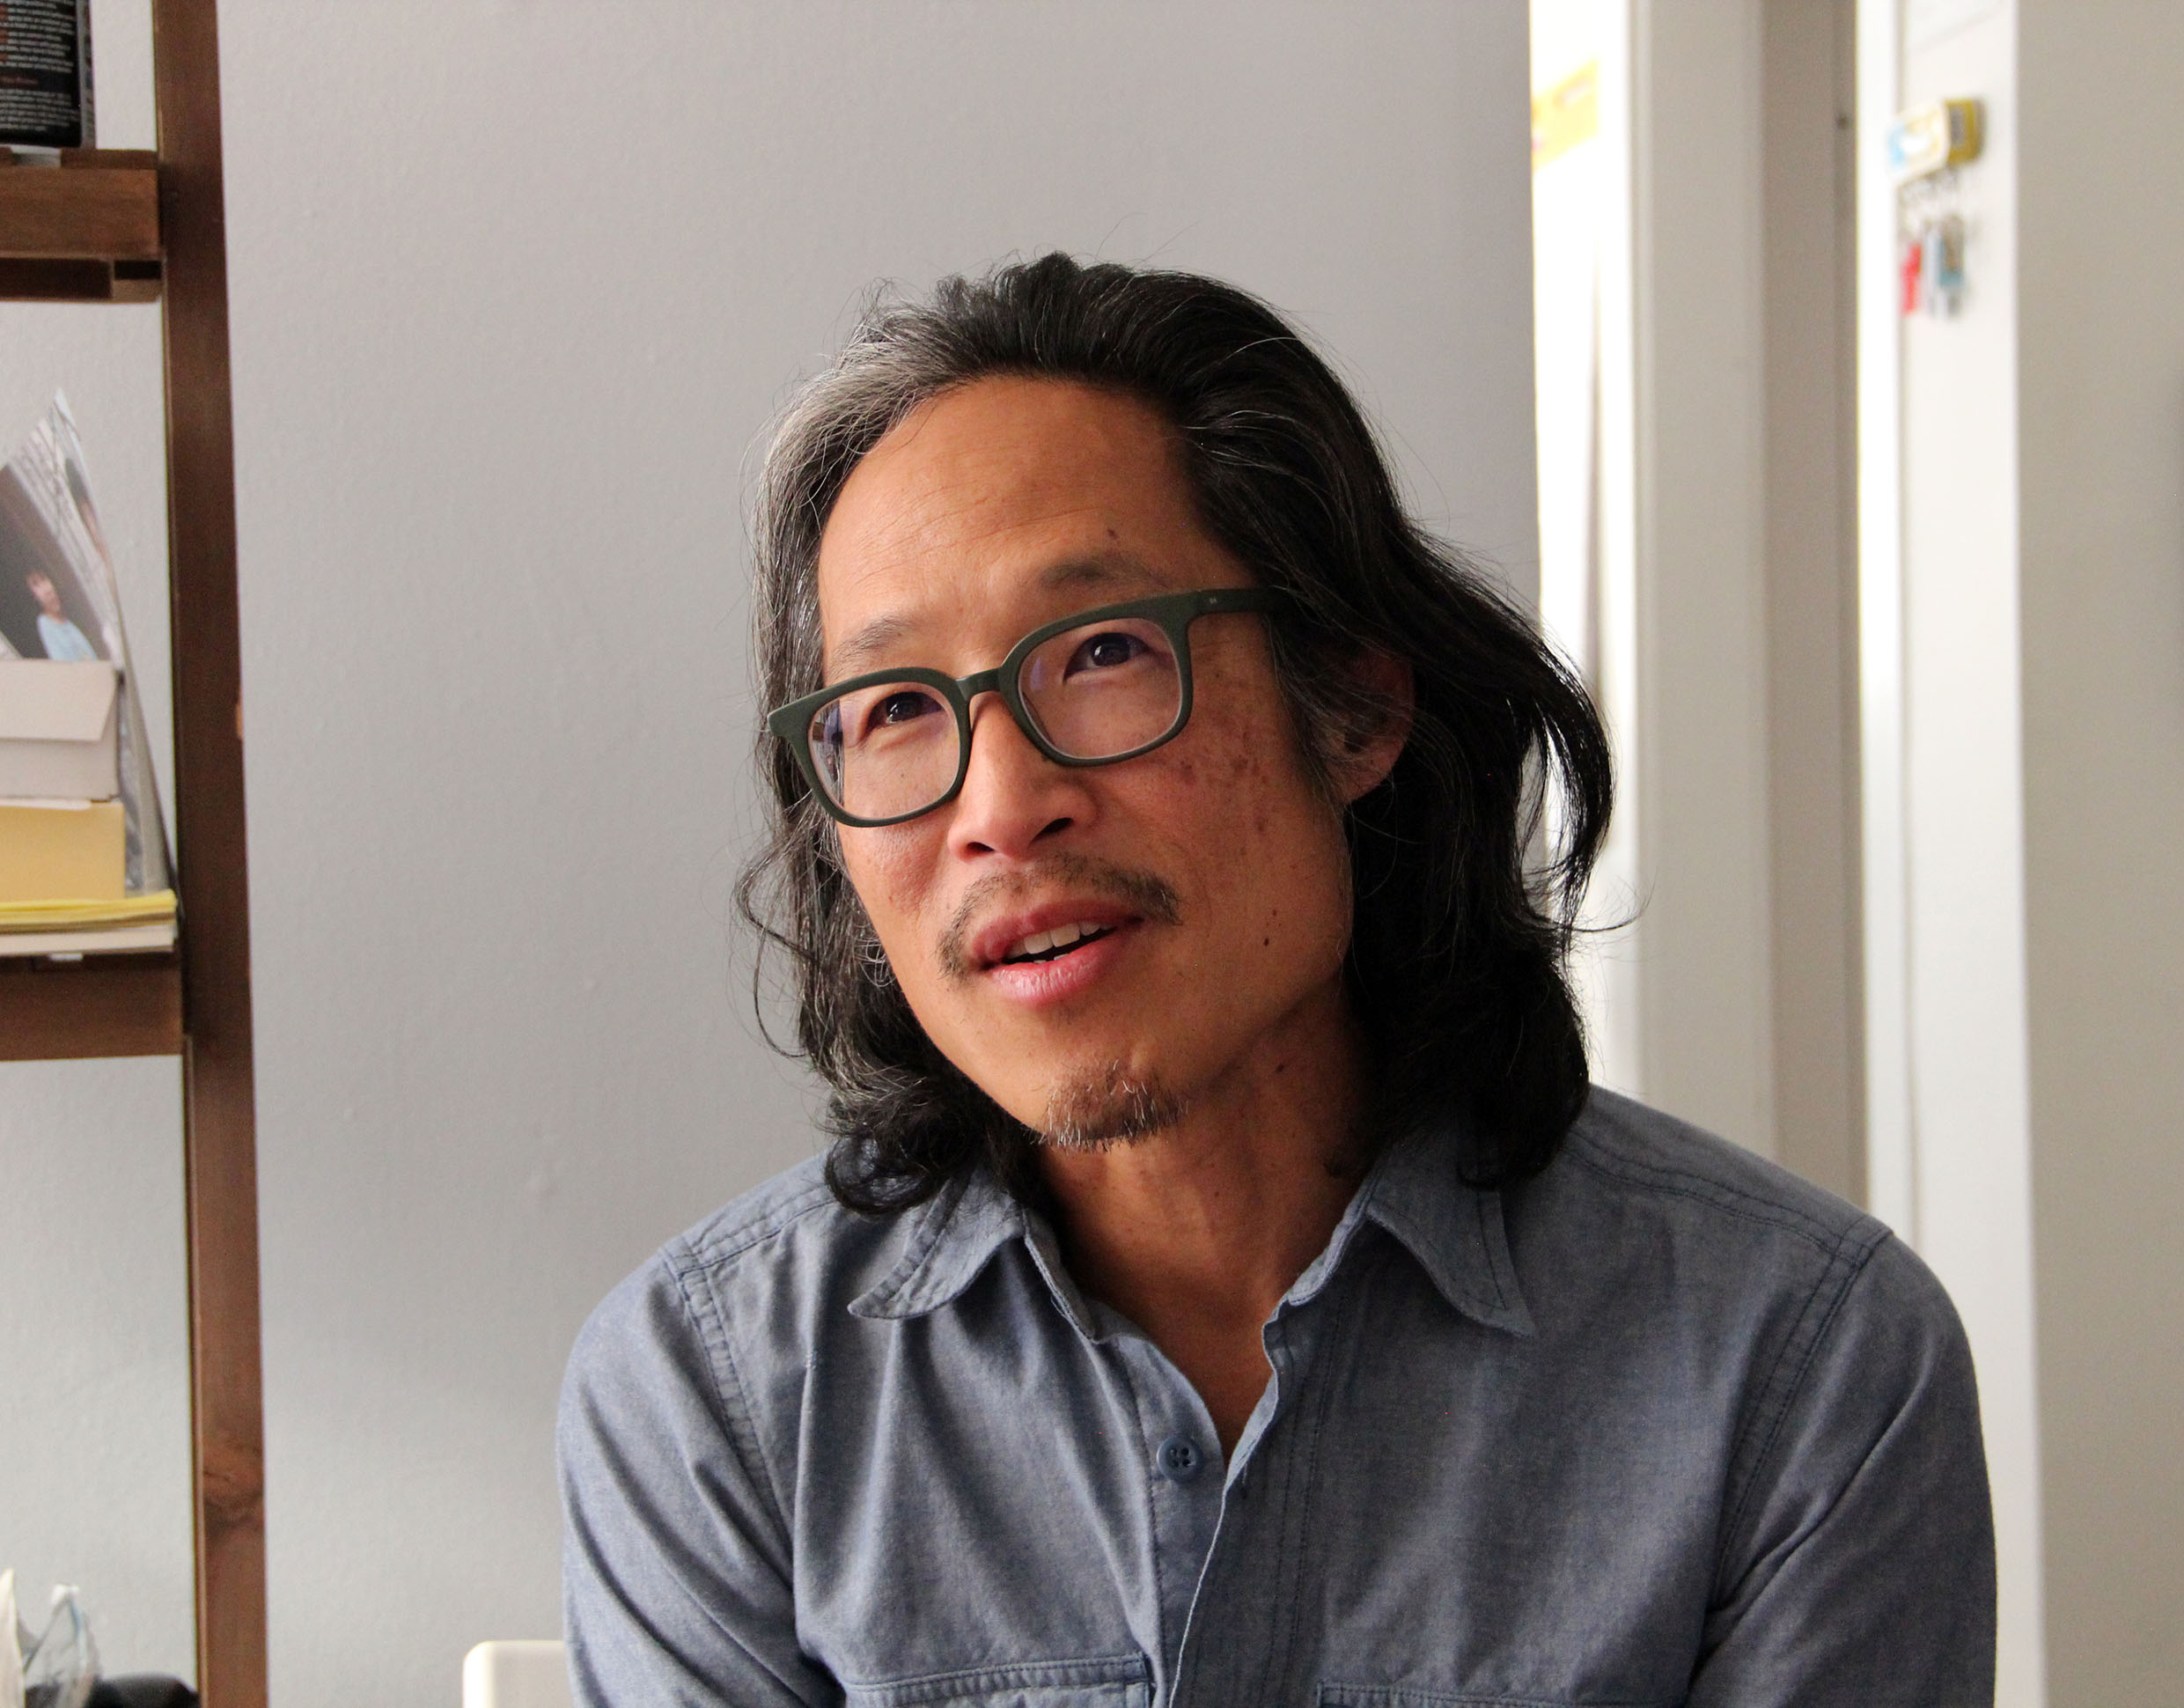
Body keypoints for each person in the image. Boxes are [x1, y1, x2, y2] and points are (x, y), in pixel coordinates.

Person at [559, 255, 1996, 1706]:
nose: (1002, 803)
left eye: (1105, 653)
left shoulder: (1800, 1365)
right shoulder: (718, 1401)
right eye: (895, 710)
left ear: (1357, 707)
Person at [26, 571, 98, 661]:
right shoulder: (45, 624)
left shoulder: (70, 620)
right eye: (36, 584)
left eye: (44, 579)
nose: (46, 589)